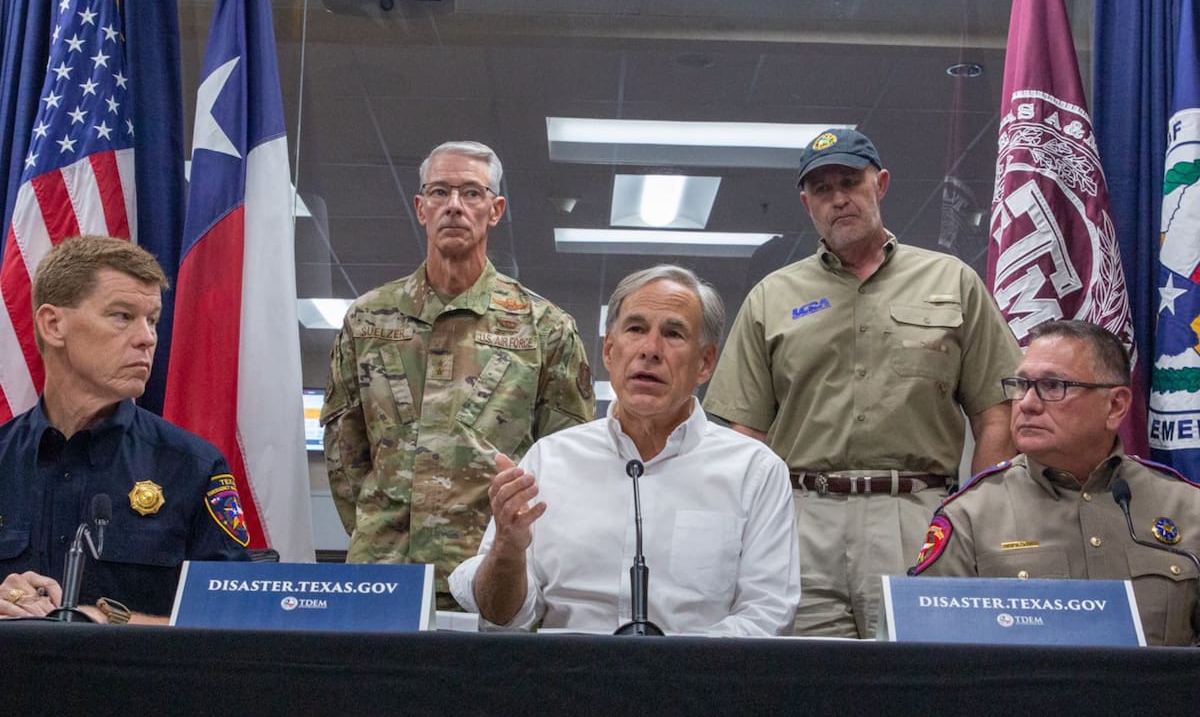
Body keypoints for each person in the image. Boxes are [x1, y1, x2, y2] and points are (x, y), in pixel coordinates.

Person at [703, 127, 1022, 639]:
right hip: (801, 520)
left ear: (882, 184)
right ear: (806, 203)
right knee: (811, 690)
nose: (839, 198)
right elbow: (746, 434)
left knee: (918, 684)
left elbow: (997, 412)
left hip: (919, 517)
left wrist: (976, 513)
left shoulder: (953, 282)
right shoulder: (771, 297)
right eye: (823, 190)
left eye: (851, 181)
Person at [449, 265, 800, 635]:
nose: (650, 350)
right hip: (567, 683)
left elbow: (768, 614)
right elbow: (503, 616)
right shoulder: (548, 460)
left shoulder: (755, 471)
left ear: (705, 363)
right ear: (610, 351)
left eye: (673, 333)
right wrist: (507, 549)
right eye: (635, 330)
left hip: (695, 685)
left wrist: (665, 671)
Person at [322, 140, 595, 607]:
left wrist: (512, 552)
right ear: (420, 208)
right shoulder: (369, 320)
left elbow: (568, 460)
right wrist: (381, 528)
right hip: (382, 575)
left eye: (471, 193)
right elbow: (344, 454)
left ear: (495, 209)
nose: (454, 206)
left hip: (487, 575)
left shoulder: (543, 327)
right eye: (440, 192)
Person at [0, 235, 249, 624]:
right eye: (122, 316)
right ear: (53, 325)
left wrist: (109, 622)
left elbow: (234, 620)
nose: (147, 338)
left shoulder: (193, 468)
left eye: (152, 320)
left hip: (136, 684)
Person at [910, 320, 1200, 646]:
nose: (1028, 404)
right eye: (1021, 385)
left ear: (1116, 405)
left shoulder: (1188, 509)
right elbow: (932, 656)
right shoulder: (970, 517)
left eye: (1053, 386)